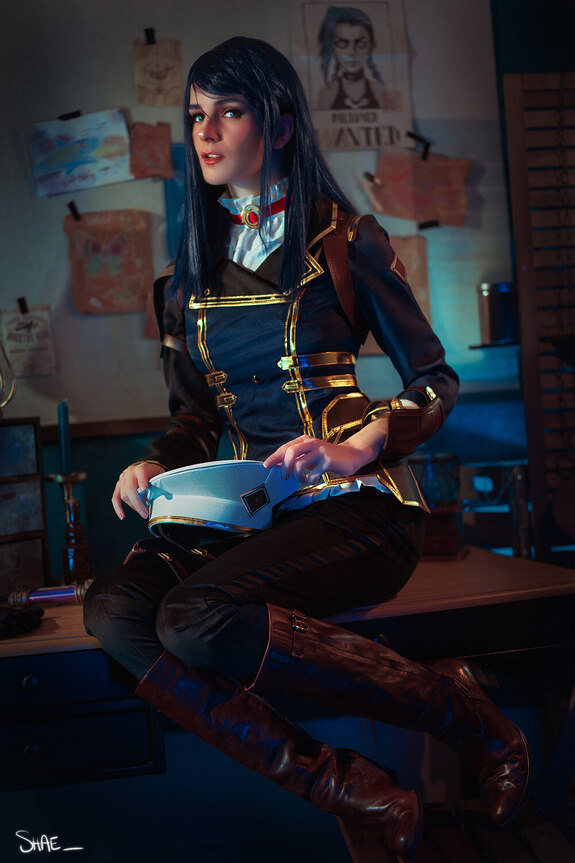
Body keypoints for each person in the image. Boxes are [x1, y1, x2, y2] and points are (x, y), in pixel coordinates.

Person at [83, 36, 529, 862]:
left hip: (357, 507)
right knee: (113, 607)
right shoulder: (185, 276)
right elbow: (193, 417)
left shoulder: (346, 241)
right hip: (249, 513)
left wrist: (355, 446)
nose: (205, 131)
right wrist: (151, 461)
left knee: (193, 618)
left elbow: (435, 381)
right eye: (195, 113)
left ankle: (469, 718)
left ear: (280, 124)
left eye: (229, 111)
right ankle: (351, 787)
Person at [316, 6, 394, 110]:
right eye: (342, 44)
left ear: (371, 46)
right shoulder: (326, 94)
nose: (352, 52)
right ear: (332, 48)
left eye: (361, 44)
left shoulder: (380, 92)